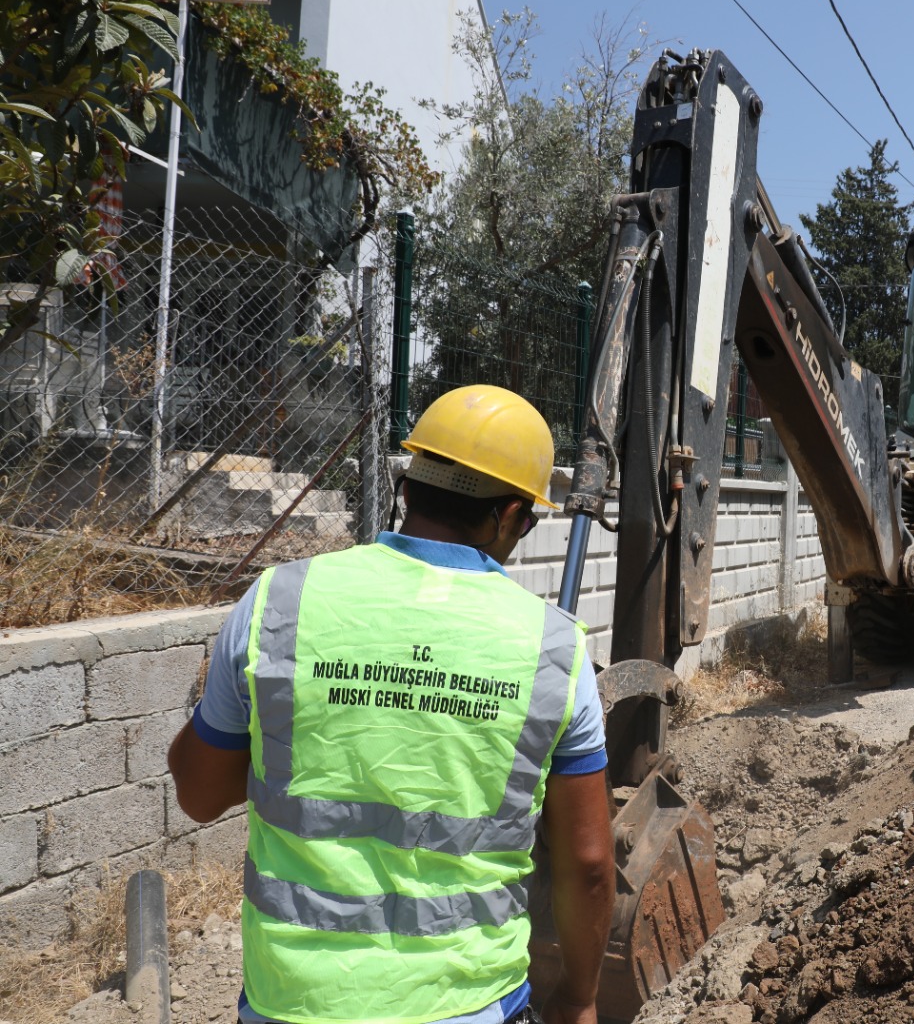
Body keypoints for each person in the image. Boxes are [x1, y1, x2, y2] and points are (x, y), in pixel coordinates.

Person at [168, 384, 614, 1024]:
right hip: (469, 1005)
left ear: (408, 489)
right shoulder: (554, 648)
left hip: (292, 1003)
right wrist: (580, 997)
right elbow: (590, 865)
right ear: (512, 514)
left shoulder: (279, 603)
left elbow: (199, 795)